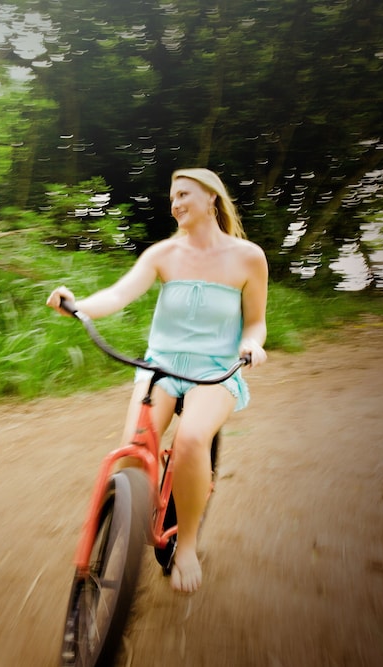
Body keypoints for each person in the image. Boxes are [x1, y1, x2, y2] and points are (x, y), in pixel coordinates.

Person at [47, 168, 268, 594]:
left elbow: (255, 322)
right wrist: (78, 305)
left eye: (184, 194)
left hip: (215, 370)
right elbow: (118, 294)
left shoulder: (248, 257)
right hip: (161, 367)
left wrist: (251, 345)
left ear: (212, 200)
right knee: (133, 453)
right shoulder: (163, 254)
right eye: (172, 196)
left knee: (189, 442)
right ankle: (127, 530)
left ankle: (185, 546)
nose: (175, 203)